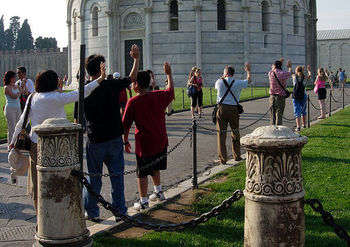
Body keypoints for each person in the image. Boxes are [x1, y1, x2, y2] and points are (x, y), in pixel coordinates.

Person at [9, 65, 106, 213]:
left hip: (37, 144)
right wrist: (100, 79)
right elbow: (83, 92)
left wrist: (13, 141)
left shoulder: (32, 97)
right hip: (59, 145)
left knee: (38, 182)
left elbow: (21, 122)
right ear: (54, 83)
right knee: (61, 177)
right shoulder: (58, 98)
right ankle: (61, 211)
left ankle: (40, 215)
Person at [82, 45, 140, 221]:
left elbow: (80, 118)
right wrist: (136, 58)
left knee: (94, 180)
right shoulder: (111, 85)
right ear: (102, 68)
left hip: (95, 139)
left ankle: (92, 212)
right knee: (117, 178)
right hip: (114, 137)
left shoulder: (83, 90)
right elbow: (132, 78)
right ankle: (120, 212)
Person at [123, 62, 174, 211]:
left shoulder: (133, 102)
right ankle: (159, 192)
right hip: (160, 140)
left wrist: (125, 141)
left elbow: (125, 125)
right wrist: (169, 74)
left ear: (136, 85)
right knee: (155, 167)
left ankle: (144, 201)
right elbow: (171, 91)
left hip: (144, 144)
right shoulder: (159, 95)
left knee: (143, 172)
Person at [215, 63, 251, 165]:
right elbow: (248, 81)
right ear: (233, 74)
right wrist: (248, 71)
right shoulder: (237, 82)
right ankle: (237, 155)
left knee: (221, 134)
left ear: (225, 73)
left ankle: (223, 158)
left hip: (222, 108)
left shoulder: (219, 82)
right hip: (234, 108)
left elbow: (218, 86)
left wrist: (223, 76)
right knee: (235, 131)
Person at [268, 60, 293, 125]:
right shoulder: (283, 73)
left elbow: (273, 69)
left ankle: (272, 129)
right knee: (279, 115)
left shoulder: (271, 73)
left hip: (272, 96)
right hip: (280, 96)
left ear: (274, 66)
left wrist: (278, 63)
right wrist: (289, 66)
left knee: (272, 115)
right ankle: (279, 130)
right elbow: (290, 73)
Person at [3, 71, 21, 150]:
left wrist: (21, 87)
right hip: (10, 108)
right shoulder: (6, 87)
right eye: (13, 77)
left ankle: (17, 144)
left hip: (17, 107)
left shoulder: (16, 86)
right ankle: (10, 145)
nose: (15, 79)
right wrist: (19, 91)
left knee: (18, 127)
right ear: (10, 78)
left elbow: (24, 92)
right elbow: (14, 96)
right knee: (11, 128)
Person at [292, 65, 311, 132]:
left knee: (297, 111)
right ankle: (304, 124)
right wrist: (308, 70)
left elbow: (291, 72)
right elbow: (309, 75)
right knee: (303, 111)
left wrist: (290, 66)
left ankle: (298, 126)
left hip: (296, 95)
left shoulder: (294, 76)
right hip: (303, 94)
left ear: (296, 70)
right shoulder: (304, 76)